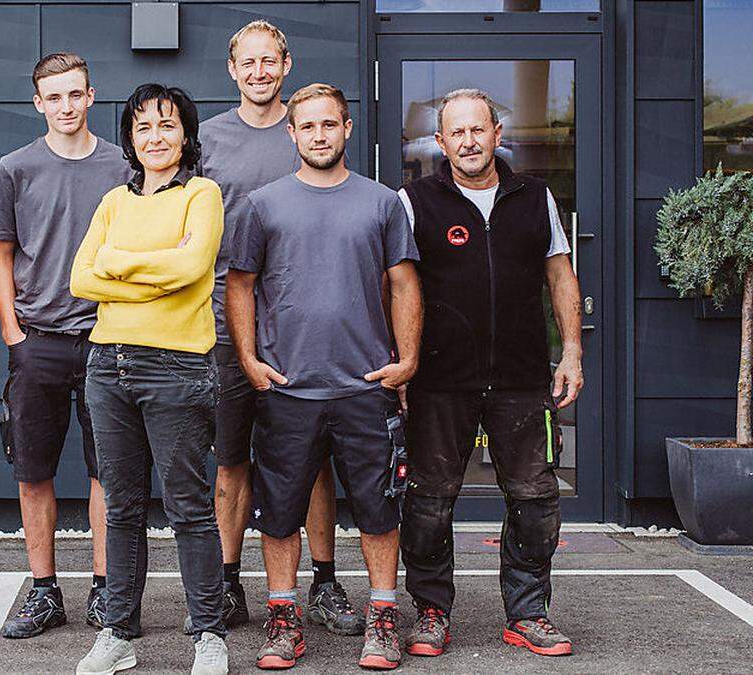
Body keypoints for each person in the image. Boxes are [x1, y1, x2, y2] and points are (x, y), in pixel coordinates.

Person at [226, 83, 422, 671]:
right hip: (287, 387)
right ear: (291, 133)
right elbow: (239, 285)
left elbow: (405, 283)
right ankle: (282, 618)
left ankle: (383, 616)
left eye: (329, 125)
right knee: (281, 512)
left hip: (366, 385)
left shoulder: (382, 203)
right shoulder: (261, 205)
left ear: (346, 129)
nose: (318, 135)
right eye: (307, 126)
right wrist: (249, 361)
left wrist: (407, 360)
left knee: (379, 510)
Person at [397, 88, 583, 659]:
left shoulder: (535, 198)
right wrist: (403, 364)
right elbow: (399, 289)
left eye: (478, 130)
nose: (469, 141)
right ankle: (431, 611)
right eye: (457, 132)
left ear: (498, 134)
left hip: (523, 377)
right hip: (439, 378)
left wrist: (572, 351)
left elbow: (560, 275)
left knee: (534, 498)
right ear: (440, 141)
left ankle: (528, 612)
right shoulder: (415, 201)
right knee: (429, 499)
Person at [195, 20, 356, 637]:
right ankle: (229, 582)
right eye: (248, 62)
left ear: (286, 65)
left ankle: (324, 581)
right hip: (222, 325)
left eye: (270, 61)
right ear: (232, 70)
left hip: (303, 322)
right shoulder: (206, 140)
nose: (259, 71)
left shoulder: (312, 130)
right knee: (232, 459)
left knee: (311, 461)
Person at [71, 84, 228, 675]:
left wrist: (119, 262)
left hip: (176, 368)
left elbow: (193, 268)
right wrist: (153, 278)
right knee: (122, 507)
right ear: (130, 139)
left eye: (166, 126)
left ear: (185, 133)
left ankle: (209, 635)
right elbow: (81, 280)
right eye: (142, 128)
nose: (155, 138)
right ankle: (118, 634)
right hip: (107, 367)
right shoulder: (113, 200)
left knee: (189, 507)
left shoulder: (203, 194)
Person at [0, 52, 131, 639]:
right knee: (33, 471)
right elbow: (0, 252)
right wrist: (12, 332)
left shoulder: (123, 165)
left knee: (108, 472)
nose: (66, 107)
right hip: (39, 341)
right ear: (38, 103)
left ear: (91, 96)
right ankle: (44, 590)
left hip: (106, 339)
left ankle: (103, 589)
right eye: (54, 97)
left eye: (76, 95)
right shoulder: (15, 168)